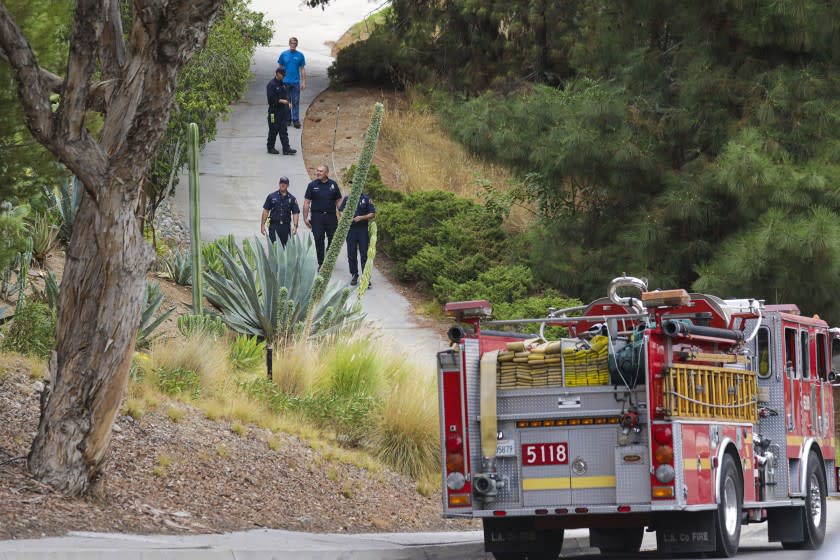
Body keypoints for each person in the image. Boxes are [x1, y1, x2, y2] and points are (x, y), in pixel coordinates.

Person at [303, 164, 341, 267]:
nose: (318, 173)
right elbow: (307, 202)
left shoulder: (333, 185)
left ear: (326, 173)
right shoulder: (312, 185)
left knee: (333, 238)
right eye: (317, 170)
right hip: (317, 217)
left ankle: (328, 257)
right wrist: (305, 218)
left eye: (321, 171)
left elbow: (338, 201)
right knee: (318, 239)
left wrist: (342, 214)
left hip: (331, 216)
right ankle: (321, 263)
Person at [338, 190, 376, 286]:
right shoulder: (347, 198)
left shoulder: (366, 199)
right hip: (351, 230)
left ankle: (365, 277)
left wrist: (361, 217)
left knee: (364, 253)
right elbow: (341, 211)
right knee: (351, 253)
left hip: (362, 229)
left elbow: (372, 213)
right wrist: (346, 217)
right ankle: (354, 274)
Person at [261, 176, 300, 245]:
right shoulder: (271, 196)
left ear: (288, 185)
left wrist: (295, 226)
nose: (283, 184)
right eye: (281, 182)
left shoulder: (292, 198)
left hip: (286, 227)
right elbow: (266, 211)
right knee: (274, 247)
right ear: (279, 184)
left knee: (285, 249)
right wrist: (262, 225)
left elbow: (295, 213)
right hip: (273, 226)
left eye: (285, 183)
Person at [266, 66, 296, 155]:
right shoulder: (271, 85)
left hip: (282, 111)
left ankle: (286, 148)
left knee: (283, 130)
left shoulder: (282, 84)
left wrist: (288, 103)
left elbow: (285, 95)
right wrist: (280, 101)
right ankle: (270, 147)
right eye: (282, 75)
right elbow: (270, 99)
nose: (284, 76)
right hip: (273, 112)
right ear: (278, 74)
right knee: (273, 129)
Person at [277, 37, 306, 128]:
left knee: (296, 101)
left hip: (296, 82)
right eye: (291, 43)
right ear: (289, 44)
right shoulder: (283, 55)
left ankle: (296, 120)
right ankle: (288, 119)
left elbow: (302, 69)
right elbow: (280, 68)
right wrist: (278, 80)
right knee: (286, 101)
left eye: (294, 43)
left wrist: (303, 81)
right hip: (285, 82)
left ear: (296, 45)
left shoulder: (300, 55)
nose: (293, 45)